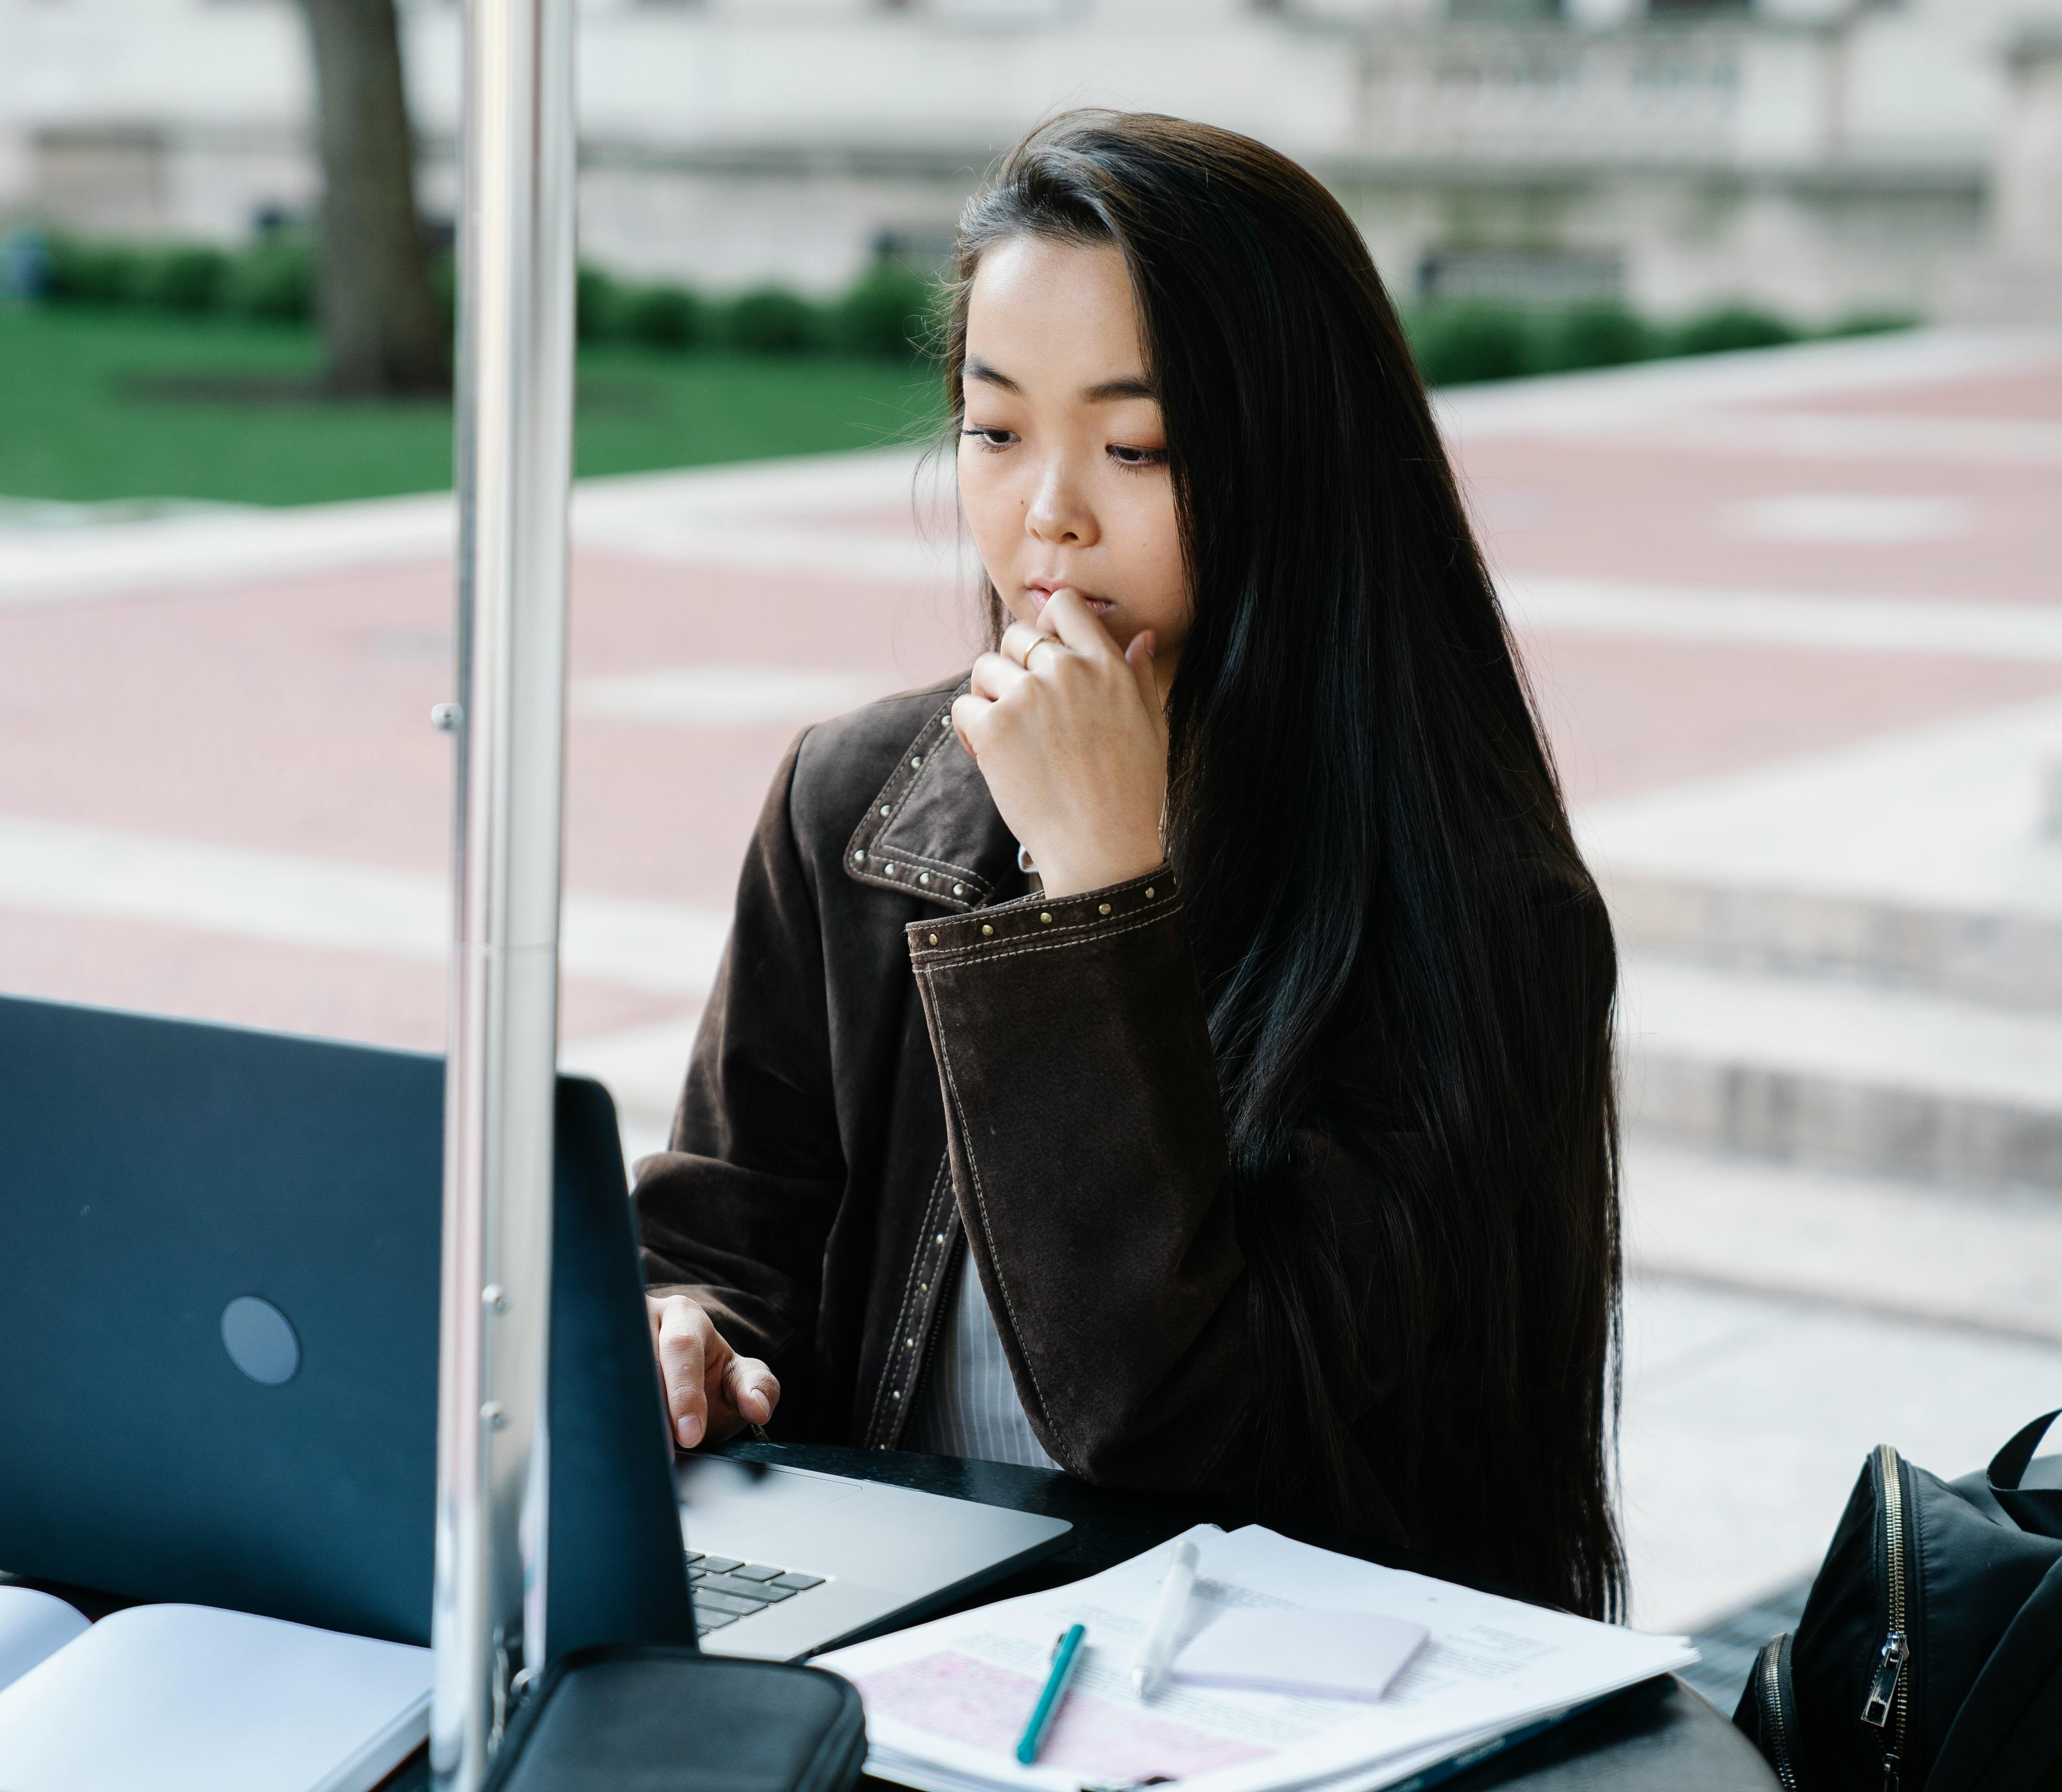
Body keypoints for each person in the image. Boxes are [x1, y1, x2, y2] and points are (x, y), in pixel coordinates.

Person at [635, 110, 1623, 1620]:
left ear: (1299, 469)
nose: (1049, 519)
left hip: (1261, 1703)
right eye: (994, 429)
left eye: (1137, 445)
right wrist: (679, 1327)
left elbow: (1180, 1429)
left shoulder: (1477, 913)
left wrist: (1102, 893)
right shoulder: (856, 807)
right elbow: (719, 1237)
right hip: (886, 1674)